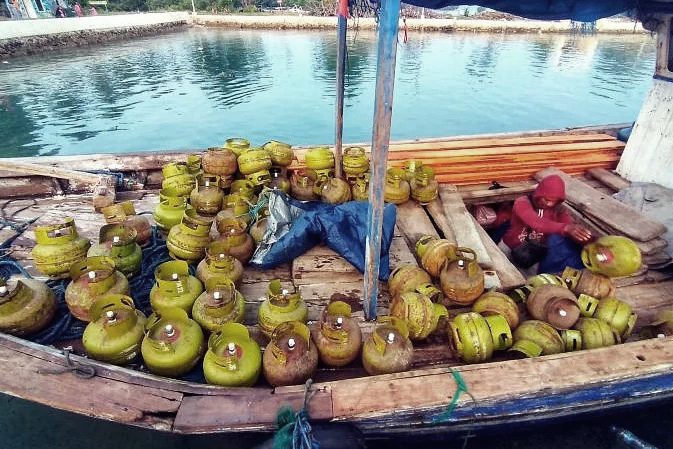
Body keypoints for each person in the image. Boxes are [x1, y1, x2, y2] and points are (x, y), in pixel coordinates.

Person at [500, 174, 592, 274]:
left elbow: (568, 226)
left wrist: (585, 238)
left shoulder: (558, 209)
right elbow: (536, 223)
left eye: (554, 202)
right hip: (508, 248)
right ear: (538, 195)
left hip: (531, 254)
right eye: (547, 200)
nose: (549, 204)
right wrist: (566, 228)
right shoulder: (522, 202)